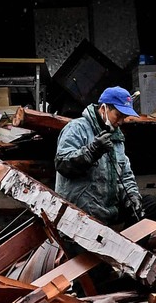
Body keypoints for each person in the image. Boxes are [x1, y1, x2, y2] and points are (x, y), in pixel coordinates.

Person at [54, 86, 144, 227]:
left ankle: (125, 244)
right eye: (118, 116)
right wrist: (92, 151)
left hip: (108, 212)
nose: (121, 122)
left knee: (150, 205)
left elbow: (125, 174)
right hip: (81, 214)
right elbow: (62, 165)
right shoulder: (77, 128)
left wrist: (132, 196)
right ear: (103, 109)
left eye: (124, 117)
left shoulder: (116, 137)